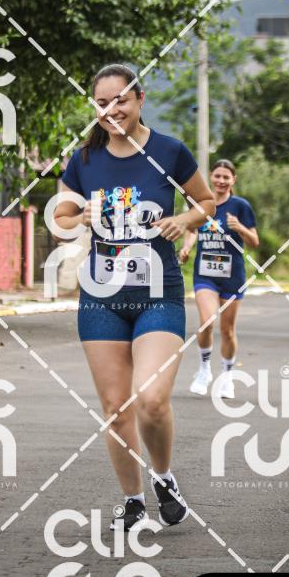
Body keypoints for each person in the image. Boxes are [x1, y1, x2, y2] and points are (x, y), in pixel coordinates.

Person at [53, 63, 215, 530]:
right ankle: (133, 501)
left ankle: (163, 476)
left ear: (140, 99)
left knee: (152, 398)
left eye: (120, 100)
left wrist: (183, 220)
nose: (112, 110)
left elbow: (206, 203)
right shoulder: (84, 160)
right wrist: (80, 218)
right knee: (116, 408)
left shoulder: (169, 151)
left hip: (158, 294)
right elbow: (59, 220)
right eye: (102, 103)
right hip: (101, 298)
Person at [179, 159, 258, 399]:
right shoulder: (203, 203)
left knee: (227, 330)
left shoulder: (241, 206)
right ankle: (204, 370)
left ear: (233, 180)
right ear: (211, 177)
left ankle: (227, 377)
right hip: (205, 275)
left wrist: (240, 228)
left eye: (226, 177)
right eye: (217, 176)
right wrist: (187, 247)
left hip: (232, 276)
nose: (221, 181)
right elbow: (192, 229)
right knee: (206, 321)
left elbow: (254, 241)